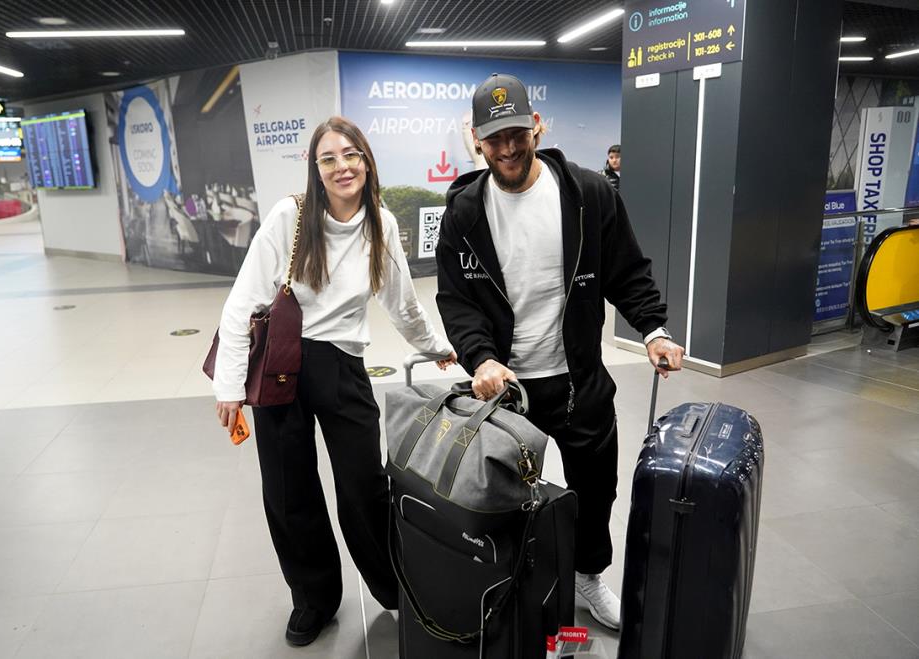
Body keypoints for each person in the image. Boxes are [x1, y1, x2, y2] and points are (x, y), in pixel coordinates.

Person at [435, 74, 684, 632]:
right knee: (501, 497)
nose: (507, 148)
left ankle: (588, 577)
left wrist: (654, 331)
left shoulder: (589, 195)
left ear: (537, 126)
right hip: (503, 390)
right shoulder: (465, 214)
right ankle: (509, 585)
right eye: (494, 138)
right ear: (477, 140)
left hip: (578, 381)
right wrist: (480, 358)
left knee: (595, 491)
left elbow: (627, 271)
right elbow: (457, 302)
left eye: (516, 134)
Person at [213, 116, 456, 647]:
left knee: (364, 486)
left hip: (342, 365)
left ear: (366, 161)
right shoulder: (291, 216)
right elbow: (243, 301)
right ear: (315, 168)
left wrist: (436, 347)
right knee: (288, 489)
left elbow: (401, 302)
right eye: (328, 158)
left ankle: (396, 591)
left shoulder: (381, 224)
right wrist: (229, 386)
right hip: (281, 364)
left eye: (350, 154)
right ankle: (314, 599)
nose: (341, 166)